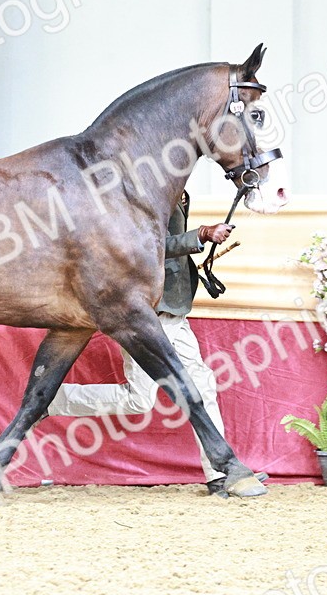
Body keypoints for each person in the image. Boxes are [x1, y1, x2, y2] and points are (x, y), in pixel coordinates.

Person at [48, 191, 266, 497]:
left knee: (202, 385)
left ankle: (220, 473)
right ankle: (51, 400)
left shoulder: (175, 189)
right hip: (147, 315)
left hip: (173, 307)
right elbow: (143, 244)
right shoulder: (136, 191)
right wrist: (200, 235)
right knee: (139, 399)